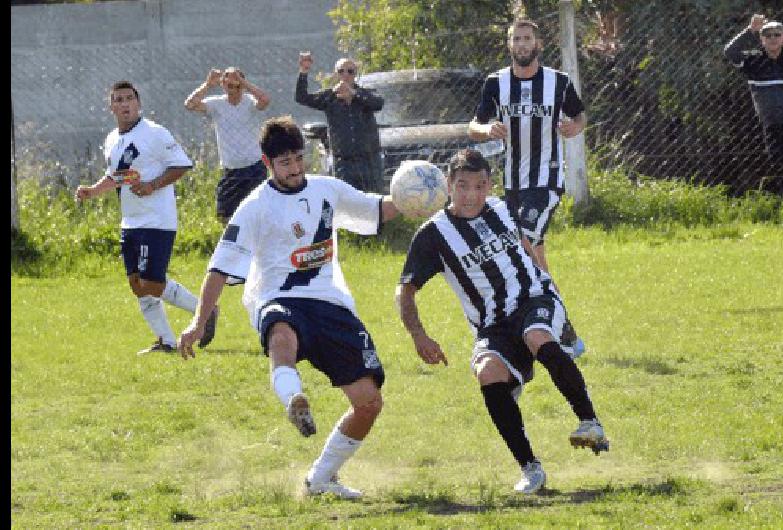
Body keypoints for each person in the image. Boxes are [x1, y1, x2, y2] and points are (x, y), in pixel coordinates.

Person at [178, 115, 402, 499]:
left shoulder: (327, 189)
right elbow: (218, 269)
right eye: (285, 162)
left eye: (299, 158)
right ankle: (294, 399)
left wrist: (416, 196)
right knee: (282, 334)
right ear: (268, 164)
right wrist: (199, 322)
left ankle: (320, 480)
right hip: (277, 298)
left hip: (330, 303)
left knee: (369, 402)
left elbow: (375, 210)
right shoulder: (254, 208)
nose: (295, 168)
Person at [395, 149, 608, 495]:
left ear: (489, 185)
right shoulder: (433, 235)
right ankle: (531, 470)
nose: (471, 195)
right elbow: (405, 292)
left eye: (480, 186)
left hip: (534, 298)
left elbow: (527, 248)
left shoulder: (502, 207)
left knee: (536, 334)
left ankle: (590, 422)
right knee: (487, 372)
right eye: (462, 186)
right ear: (449, 185)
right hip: (492, 325)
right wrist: (419, 336)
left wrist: (559, 305)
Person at [468, 17, 587, 357]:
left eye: (527, 39)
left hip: (546, 180)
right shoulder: (496, 83)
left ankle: (544, 326)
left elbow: (580, 117)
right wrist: (486, 129)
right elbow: (474, 124)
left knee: (521, 243)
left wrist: (573, 128)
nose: (522, 44)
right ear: (510, 45)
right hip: (513, 183)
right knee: (535, 259)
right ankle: (562, 330)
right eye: (516, 39)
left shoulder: (558, 82)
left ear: (537, 44)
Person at [75, 81, 218, 354]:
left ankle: (206, 310)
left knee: (152, 282)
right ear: (111, 107)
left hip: (157, 220)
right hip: (130, 221)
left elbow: (182, 164)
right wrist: (92, 191)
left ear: (138, 103)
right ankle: (165, 341)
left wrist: (152, 185)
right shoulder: (111, 140)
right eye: (118, 99)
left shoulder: (154, 133)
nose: (124, 104)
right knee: (137, 284)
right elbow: (117, 176)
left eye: (129, 98)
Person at [184, 67, 272, 224]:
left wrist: (244, 82)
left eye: (235, 81)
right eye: (227, 81)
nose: (231, 84)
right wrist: (207, 85)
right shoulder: (217, 104)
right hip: (231, 168)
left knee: (259, 214)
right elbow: (190, 104)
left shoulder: (250, 102)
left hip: (254, 166)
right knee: (224, 214)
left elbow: (265, 100)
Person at [295, 52, 384, 193]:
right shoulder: (330, 97)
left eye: (350, 71)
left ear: (355, 74)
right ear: (336, 74)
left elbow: (378, 103)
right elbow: (301, 97)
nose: (345, 75)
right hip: (343, 161)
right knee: (345, 202)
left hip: (368, 160)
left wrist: (354, 93)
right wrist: (304, 72)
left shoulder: (365, 94)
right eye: (341, 71)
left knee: (373, 198)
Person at [724, 15, 783, 170]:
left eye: (777, 34)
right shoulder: (753, 60)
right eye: (768, 35)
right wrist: (750, 30)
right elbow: (730, 52)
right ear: (762, 38)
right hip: (770, 123)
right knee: (778, 164)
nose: (772, 38)